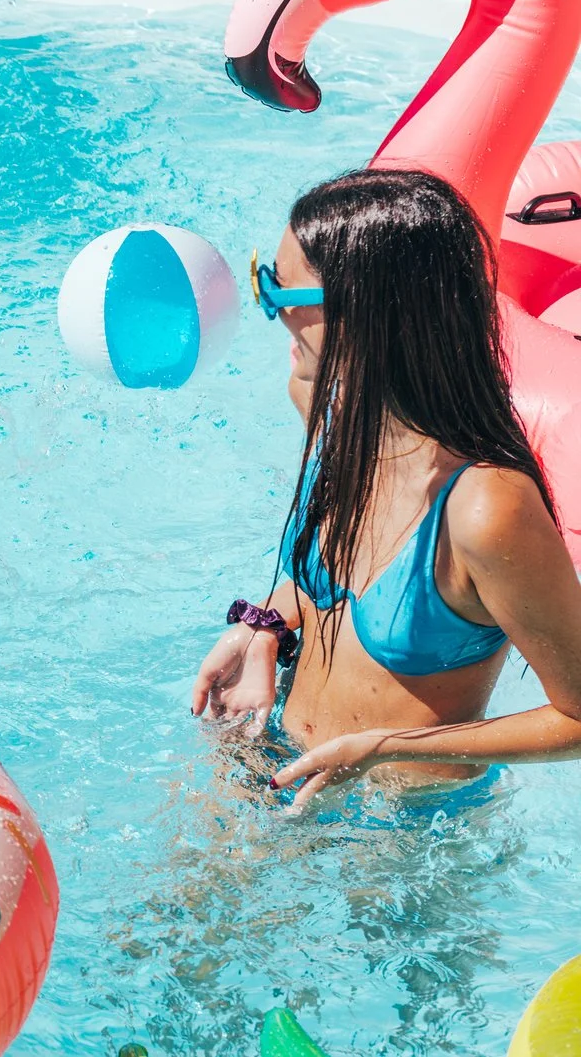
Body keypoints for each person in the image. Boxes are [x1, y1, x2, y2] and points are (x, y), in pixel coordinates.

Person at [191, 170, 581, 808]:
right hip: (275, 764)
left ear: (367, 311)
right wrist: (265, 629)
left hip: (400, 831)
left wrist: (387, 747)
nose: (273, 312)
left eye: (280, 289)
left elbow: (579, 718)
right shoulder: (330, 418)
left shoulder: (483, 508)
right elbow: (341, 581)